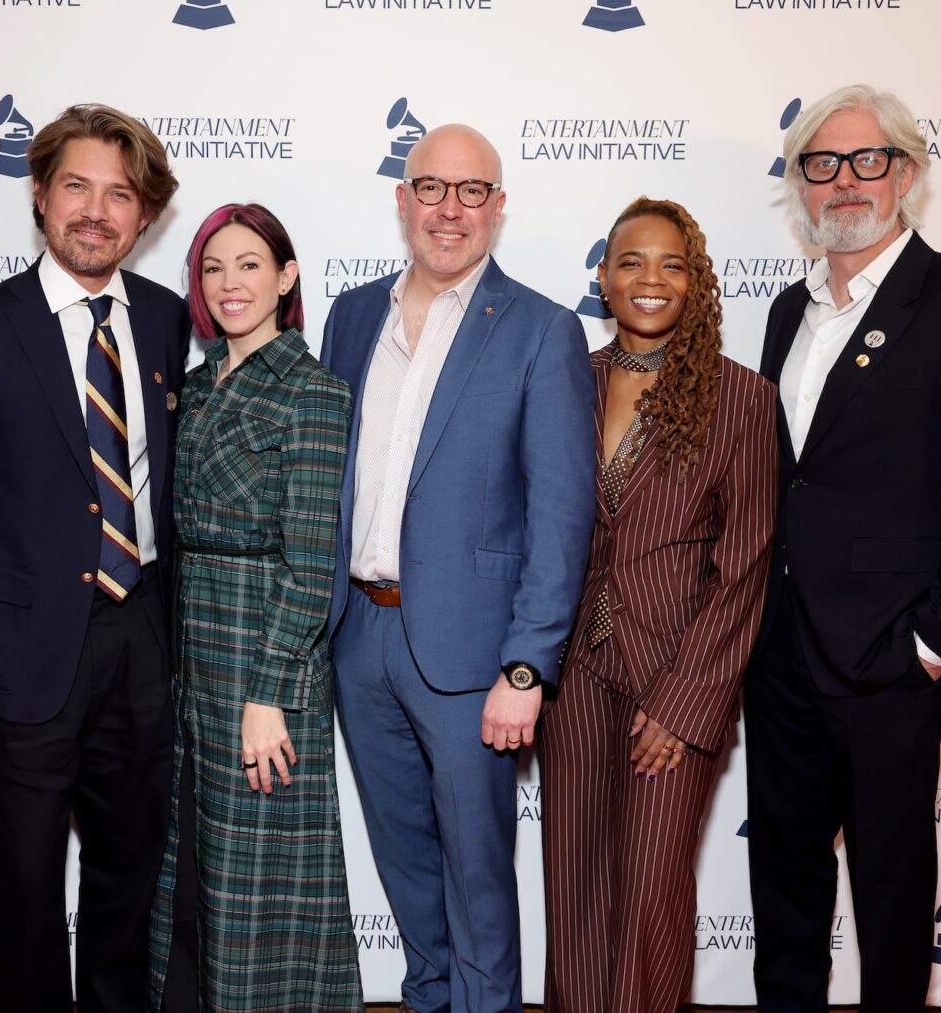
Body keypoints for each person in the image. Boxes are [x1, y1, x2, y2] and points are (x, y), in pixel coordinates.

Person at [746, 84, 941, 1012]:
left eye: (866, 159)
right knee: (785, 883)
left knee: (890, 888)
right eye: (821, 163)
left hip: (887, 659)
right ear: (799, 182)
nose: (844, 180)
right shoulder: (788, 312)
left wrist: (932, 646)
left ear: (906, 174)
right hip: (780, 650)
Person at [0, 104, 188, 1013]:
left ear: (145, 216)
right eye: (77, 187)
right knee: (22, 885)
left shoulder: (167, 319)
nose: (96, 212)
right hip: (16, 655)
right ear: (40, 195)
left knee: (128, 874)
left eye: (120, 195)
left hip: (141, 640)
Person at [320, 124, 597, 1013]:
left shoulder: (542, 330)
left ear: (498, 206)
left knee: (478, 876)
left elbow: (561, 517)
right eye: (432, 188)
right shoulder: (351, 315)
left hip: (474, 656)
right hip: (358, 637)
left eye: (471, 190)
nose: (450, 209)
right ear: (402, 200)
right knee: (404, 863)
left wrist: (526, 667)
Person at [539, 197, 777, 1013]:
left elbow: (744, 569)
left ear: (695, 281)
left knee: (650, 895)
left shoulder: (741, 399)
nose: (651, 279)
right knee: (574, 888)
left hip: (673, 677)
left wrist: (683, 703)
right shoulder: (566, 378)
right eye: (631, 262)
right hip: (570, 671)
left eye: (672, 264)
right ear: (603, 278)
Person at [146, 203, 363, 1012]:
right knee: (190, 873)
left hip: (264, 662)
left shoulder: (313, 392)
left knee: (262, 883)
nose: (229, 284)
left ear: (286, 277)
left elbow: (311, 563)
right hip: (190, 662)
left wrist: (268, 693)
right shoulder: (197, 387)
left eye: (248, 265)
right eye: (212, 268)